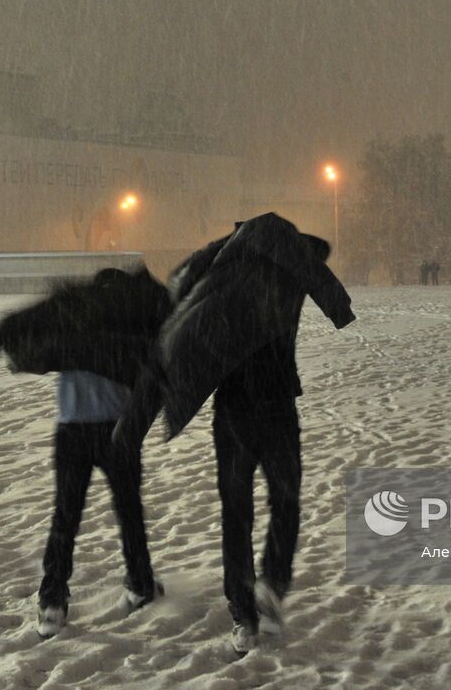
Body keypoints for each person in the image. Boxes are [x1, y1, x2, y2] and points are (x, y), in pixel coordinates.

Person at [115, 213, 354, 656]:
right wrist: (337, 306)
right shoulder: (289, 270)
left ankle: (244, 614)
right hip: (278, 402)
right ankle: (273, 585)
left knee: (236, 512)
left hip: (234, 410)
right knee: (286, 500)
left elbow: (178, 302)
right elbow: (321, 280)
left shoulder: (220, 272)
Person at [32, 269, 166, 638]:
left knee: (65, 517)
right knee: (129, 511)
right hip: (116, 432)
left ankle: (53, 602)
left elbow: (40, 354)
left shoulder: (70, 326)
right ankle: (140, 583)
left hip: (72, 429)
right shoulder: (132, 331)